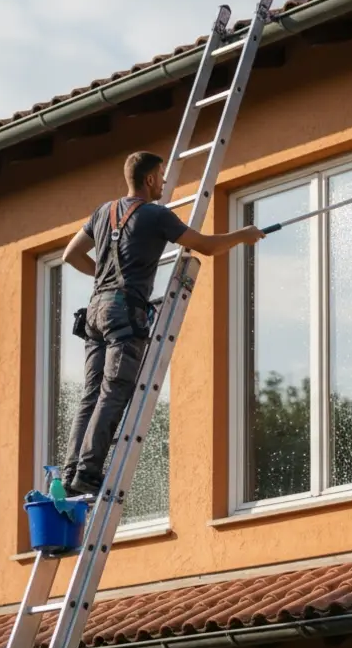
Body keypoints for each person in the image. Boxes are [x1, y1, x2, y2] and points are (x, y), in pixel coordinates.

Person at [59, 151, 265, 496]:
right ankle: (88, 471)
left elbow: (70, 254)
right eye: (162, 176)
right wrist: (242, 235)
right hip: (123, 314)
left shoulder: (103, 212)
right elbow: (206, 247)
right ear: (151, 179)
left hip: (95, 310)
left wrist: (106, 279)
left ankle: (71, 473)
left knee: (91, 395)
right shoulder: (156, 216)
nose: (165, 183)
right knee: (114, 390)